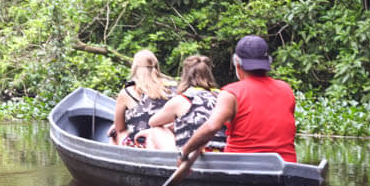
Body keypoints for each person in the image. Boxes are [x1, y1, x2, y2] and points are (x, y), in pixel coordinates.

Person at [177, 35, 297, 166]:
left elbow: (211, 127)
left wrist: (185, 152)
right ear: (268, 61)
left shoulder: (231, 93)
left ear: (237, 63)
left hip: (242, 166)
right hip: (285, 165)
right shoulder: (286, 89)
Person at [143, 55, 227, 151]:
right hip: (223, 154)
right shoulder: (223, 96)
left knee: (155, 131)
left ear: (185, 75)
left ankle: (159, 164)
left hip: (192, 157)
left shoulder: (182, 99)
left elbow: (152, 122)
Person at [110, 49, 175, 147]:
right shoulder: (172, 88)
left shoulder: (127, 92)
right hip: (166, 142)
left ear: (134, 68)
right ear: (156, 67)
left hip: (142, 143)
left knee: (115, 133)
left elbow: (120, 128)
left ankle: (121, 155)